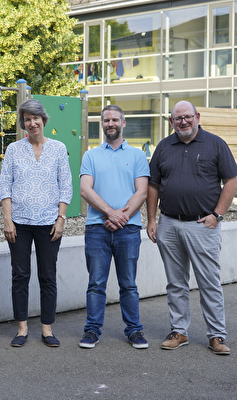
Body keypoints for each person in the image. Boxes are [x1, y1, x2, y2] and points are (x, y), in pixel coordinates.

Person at [147, 100, 237, 356]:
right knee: (175, 283)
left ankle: (217, 335)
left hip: (203, 225)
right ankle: (179, 331)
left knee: (209, 282)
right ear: (171, 122)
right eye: (178, 118)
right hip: (169, 224)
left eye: (188, 117)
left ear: (197, 116)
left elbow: (231, 181)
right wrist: (152, 220)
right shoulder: (164, 147)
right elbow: (153, 185)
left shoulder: (215, 144)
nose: (183, 121)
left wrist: (217, 215)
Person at [0, 99, 73, 348]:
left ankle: (47, 328)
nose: (32, 123)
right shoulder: (13, 149)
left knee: (48, 275)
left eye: (35, 118)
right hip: (18, 223)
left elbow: (66, 186)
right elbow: (5, 187)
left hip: (49, 223)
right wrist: (7, 220)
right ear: (23, 123)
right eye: (27, 119)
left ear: (44, 119)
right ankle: (21, 329)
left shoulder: (59, 148)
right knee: (20, 275)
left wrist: (61, 219)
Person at [78, 105, 150, 350]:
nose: (111, 123)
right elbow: (85, 189)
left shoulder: (138, 155)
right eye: (106, 120)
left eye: (115, 119)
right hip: (97, 228)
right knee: (96, 283)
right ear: (102, 123)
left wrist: (122, 217)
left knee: (128, 284)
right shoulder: (91, 155)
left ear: (123, 122)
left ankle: (134, 331)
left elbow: (142, 191)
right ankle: (92, 331)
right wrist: (111, 213)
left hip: (128, 230)